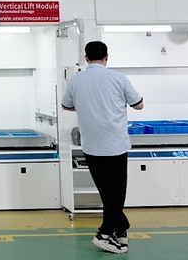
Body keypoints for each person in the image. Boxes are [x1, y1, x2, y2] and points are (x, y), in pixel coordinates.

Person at [61, 41, 144, 254]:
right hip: (116, 145)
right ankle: (105, 234)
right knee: (116, 194)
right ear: (107, 57)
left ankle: (121, 229)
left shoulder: (76, 81)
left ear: (86, 58)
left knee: (107, 193)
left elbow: (66, 105)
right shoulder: (119, 78)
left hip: (91, 146)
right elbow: (139, 105)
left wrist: (88, 106)